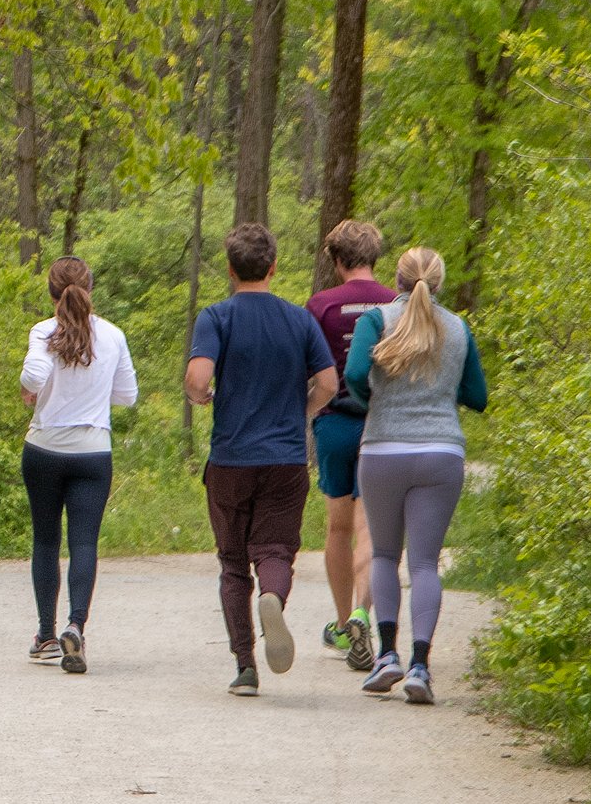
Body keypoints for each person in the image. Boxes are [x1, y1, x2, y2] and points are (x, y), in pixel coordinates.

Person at [184, 222, 336, 696]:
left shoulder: (217, 317)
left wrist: (203, 396)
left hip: (230, 458)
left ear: (230, 270)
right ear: (273, 267)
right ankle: (272, 597)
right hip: (285, 460)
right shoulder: (299, 320)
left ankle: (246, 667)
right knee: (275, 551)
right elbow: (329, 384)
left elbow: (197, 378)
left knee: (232, 564)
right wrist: (302, 412)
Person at [347, 245, 488, 706]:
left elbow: (351, 373)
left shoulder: (376, 322)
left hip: (383, 449)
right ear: (439, 281)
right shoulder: (458, 328)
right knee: (425, 562)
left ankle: (386, 657)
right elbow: (478, 395)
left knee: (385, 554)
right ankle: (421, 666)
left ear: (398, 279)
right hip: (440, 451)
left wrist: (376, 405)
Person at [18, 255, 138, 675]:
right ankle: (76, 625)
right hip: (92, 451)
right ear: (91, 287)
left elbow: (33, 377)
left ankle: (46, 635)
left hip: (44, 449)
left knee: (46, 541)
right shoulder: (112, 335)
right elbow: (127, 395)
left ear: (52, 293)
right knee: (84, 543)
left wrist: (31, 388)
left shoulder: (43, 330)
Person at [306, 219, 396, 671]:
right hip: (381, 423)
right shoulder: (397, 303)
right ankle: (365, 614)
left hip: (335, 423)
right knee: (371, 530)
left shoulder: (320, 305)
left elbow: (310, 367)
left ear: (336, 260)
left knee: (338, 528)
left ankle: (344, 625)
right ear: (374, 258)